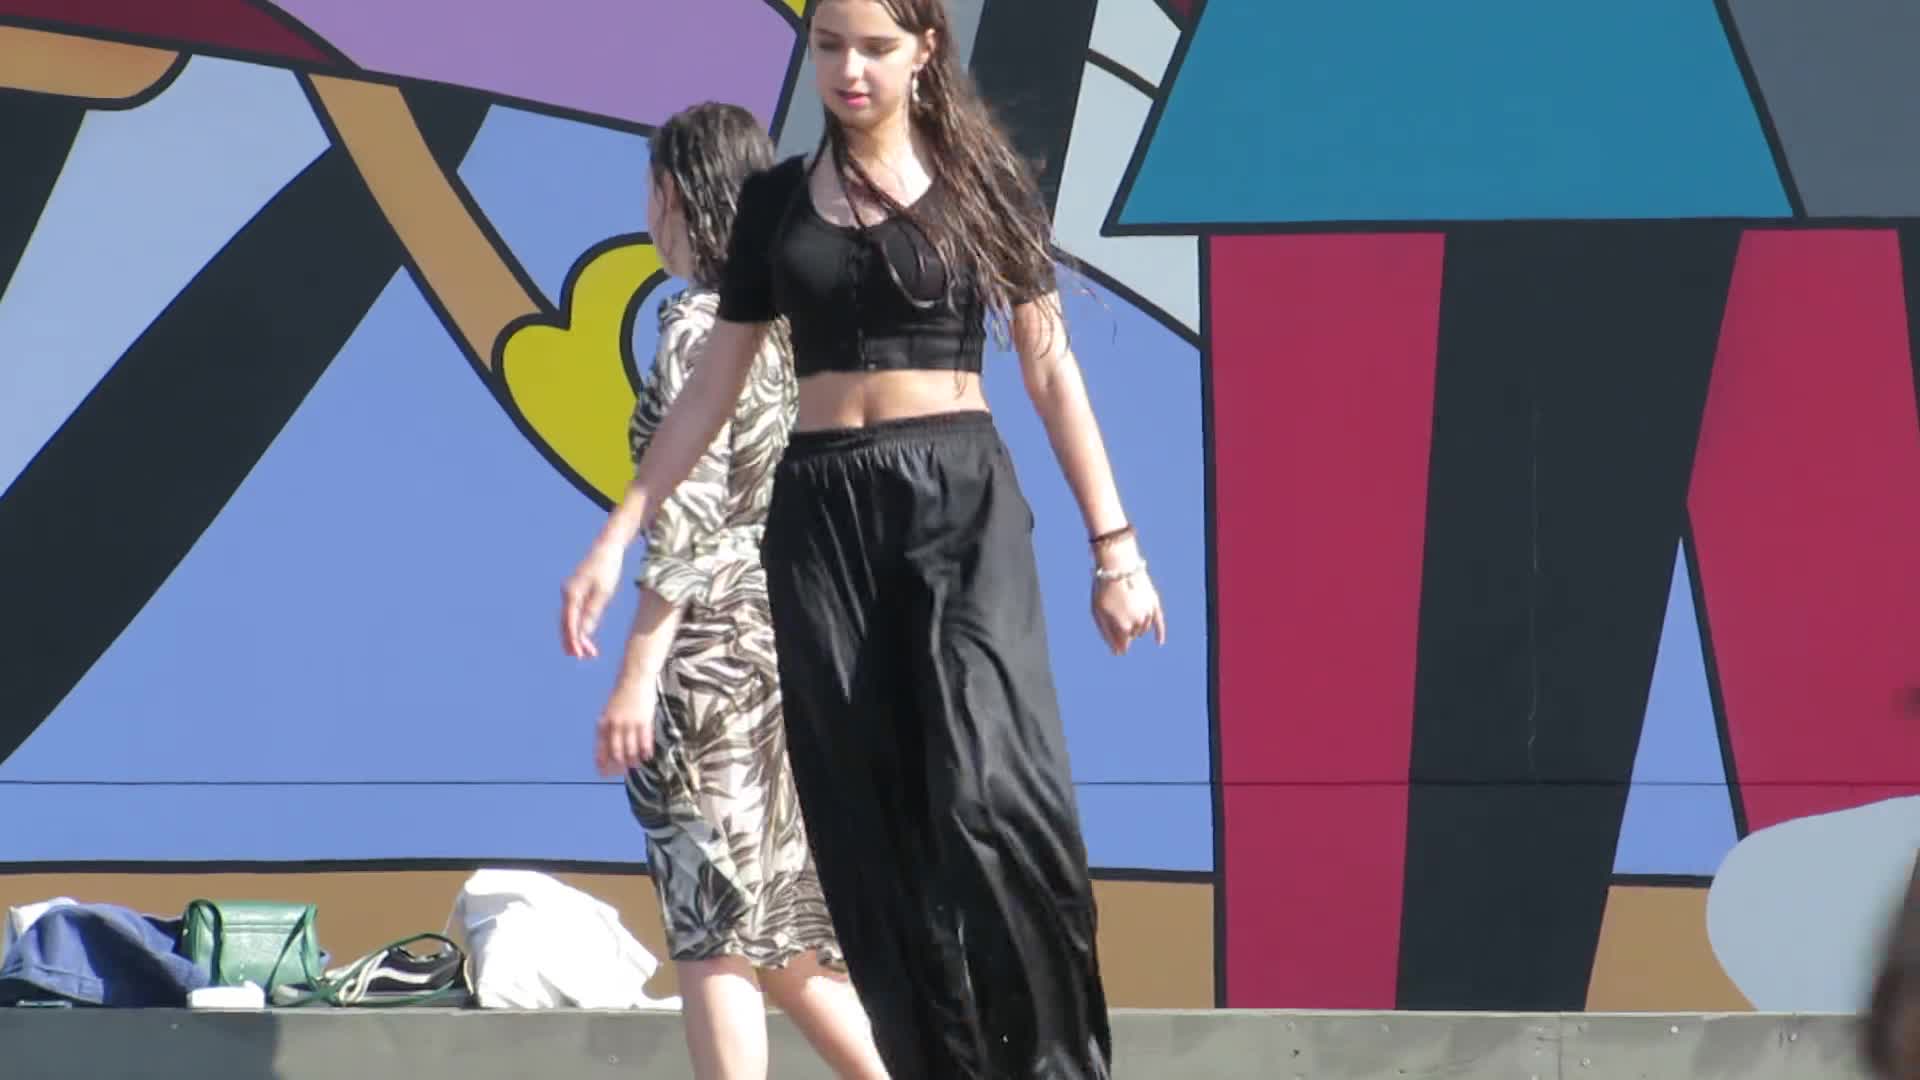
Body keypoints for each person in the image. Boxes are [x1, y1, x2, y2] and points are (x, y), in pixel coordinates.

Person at [561, 1, 1168, 1075]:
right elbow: (712, 388)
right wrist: (620, 533)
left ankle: (1048, 1062)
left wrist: (1114, 548)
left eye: (877, 48)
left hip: (957, 499)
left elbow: (1049, 367)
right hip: (823, 512)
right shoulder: (777, 202)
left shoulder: (981, 183)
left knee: (988, 793)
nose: (850, 70)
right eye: (831, 46)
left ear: (926, 50)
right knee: (869, 824)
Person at [583, 101, 888, 1080]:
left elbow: (687, 511)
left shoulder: (697, 332)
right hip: (788, 645)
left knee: (712, 922)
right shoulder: (800, 332)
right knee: (784, 930)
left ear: (674, 194)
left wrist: (637, 673)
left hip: (709, 659)